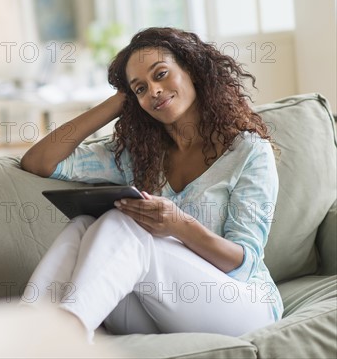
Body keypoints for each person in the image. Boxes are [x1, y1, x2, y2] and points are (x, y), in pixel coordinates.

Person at [19, 27, 283, 341]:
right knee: (83, 224)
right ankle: (25, 333)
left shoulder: (249, 151)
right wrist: (117, 102)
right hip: (163, 310)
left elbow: (243, 263)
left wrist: (177, 224)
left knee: (123, 222)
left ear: (192, 70)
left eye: (161, 75)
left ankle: (67, 335)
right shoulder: (139, 156)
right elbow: (39, 162)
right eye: (140, 89)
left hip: (242, 305)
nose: (154, 91)